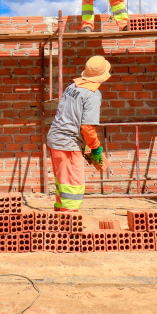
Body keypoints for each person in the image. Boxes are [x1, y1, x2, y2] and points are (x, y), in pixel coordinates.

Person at [46, 56, 111, 211]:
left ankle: (60, 220)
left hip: (56, 139)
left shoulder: (72, 87)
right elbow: (87, 128)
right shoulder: (92, 94)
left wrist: (87, 146)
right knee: (73, 187)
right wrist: (96, 149)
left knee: (63, 183)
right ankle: (70, 224)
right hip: (68, 144)